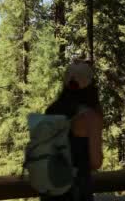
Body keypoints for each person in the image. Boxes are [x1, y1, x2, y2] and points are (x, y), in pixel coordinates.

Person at [44, 60, 104, 201]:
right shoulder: (89, 117)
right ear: (90, 85)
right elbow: (96, 162)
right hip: (76, 190)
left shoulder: (51, 111)